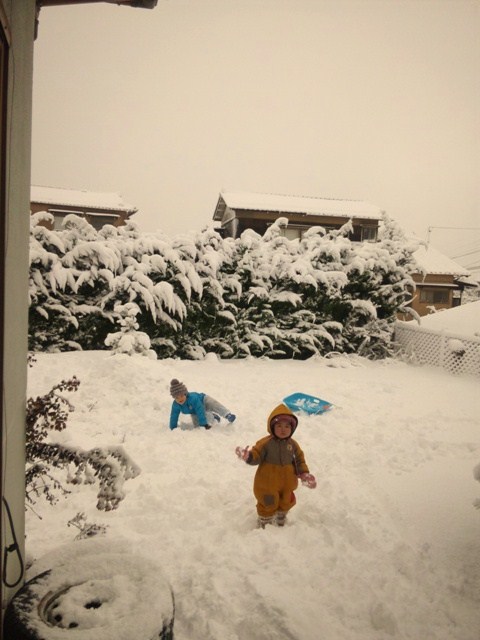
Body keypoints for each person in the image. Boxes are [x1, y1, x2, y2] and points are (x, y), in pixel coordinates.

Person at [235, 403, 316, 528]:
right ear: (272, 427)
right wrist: (248, 456)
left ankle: (281, 515)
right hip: (268, 482)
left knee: (286, 500)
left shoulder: (293, 445)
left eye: (287, 426)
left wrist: (304, 473)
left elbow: (299, 460)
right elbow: (256, 454)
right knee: (268, 500)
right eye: (279, 426)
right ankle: (265, 520)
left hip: (287, 482)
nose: (283, 429)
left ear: (292, 428)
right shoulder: (266, 443)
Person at [169, 378, 236, 430]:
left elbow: (200, 410)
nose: (180, 399)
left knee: (213, 404)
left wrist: (203, 424)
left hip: (203, 400)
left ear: (185, 394)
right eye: (177, 397)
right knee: (197, 426)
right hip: (194, 411)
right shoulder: (176, 405)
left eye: (181, 396)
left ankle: (227, 414)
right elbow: (174, 416)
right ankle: (214, 417)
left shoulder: (193, 399)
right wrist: (173, 427)